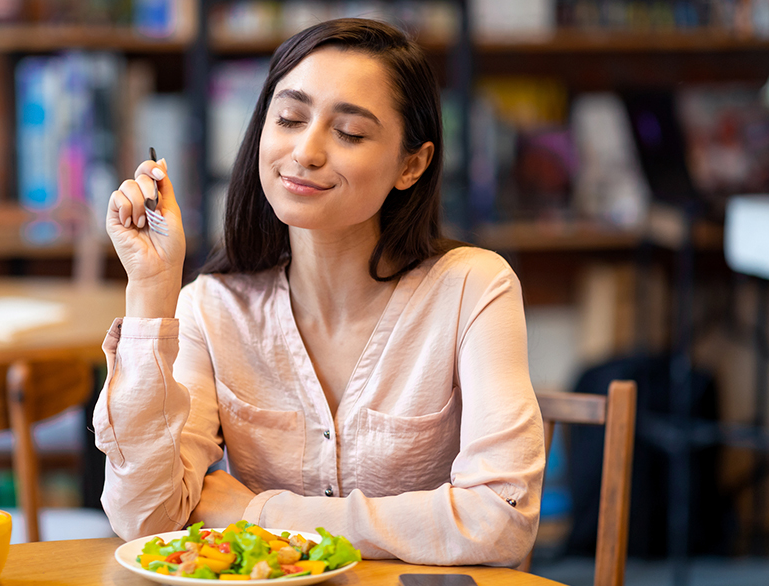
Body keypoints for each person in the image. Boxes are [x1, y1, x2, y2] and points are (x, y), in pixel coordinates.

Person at [94, 18, 545, 567]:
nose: (306, 151)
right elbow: (144, 519)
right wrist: (152, 287)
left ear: (412, 165)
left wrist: (258, 513)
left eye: (349, 133)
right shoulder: (213, 308)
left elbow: (501, 522)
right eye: (289, 119)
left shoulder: (473, 288)